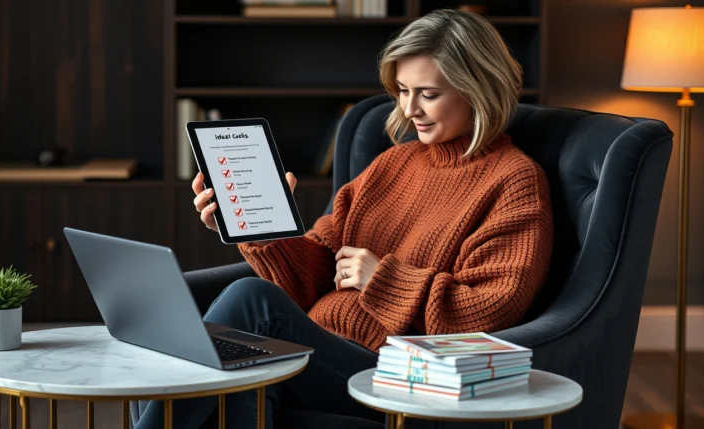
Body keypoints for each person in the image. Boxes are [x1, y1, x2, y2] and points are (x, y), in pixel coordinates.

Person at [132, 8, 553, 429]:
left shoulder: (515, 181)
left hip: (394, 372)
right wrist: (264, 230)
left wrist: (382, 280)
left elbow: (492, 312)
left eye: (428, 94)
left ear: (479, 89)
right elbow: (318, 268)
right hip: (322, 347)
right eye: (403, 90)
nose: (409, 110)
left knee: (250, 299)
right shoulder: (394, 164)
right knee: (239, 384)